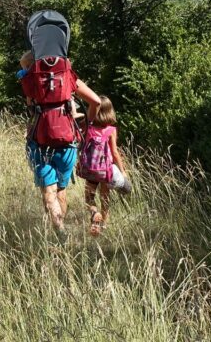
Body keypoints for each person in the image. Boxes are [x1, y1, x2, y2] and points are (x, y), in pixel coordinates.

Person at [21, 51, 101, 242]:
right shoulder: (68, 76)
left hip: (40, 144)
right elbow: (96, 101)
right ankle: (59, 235)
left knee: (49, 193)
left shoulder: (32, 80)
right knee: (61, 192)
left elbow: (31, 108)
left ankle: (60, 234)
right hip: (68, 143)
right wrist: (82, 124)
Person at [77, 96, 132, 237]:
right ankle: (104, 226)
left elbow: (78, 138)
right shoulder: (111, 130)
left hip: (90, 168)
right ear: (110, 111)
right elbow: (114, 152)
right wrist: (123, 171)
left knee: (89, 197)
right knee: (105, 197)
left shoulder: (87, 125)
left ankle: (94, 213)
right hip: (105, 170)